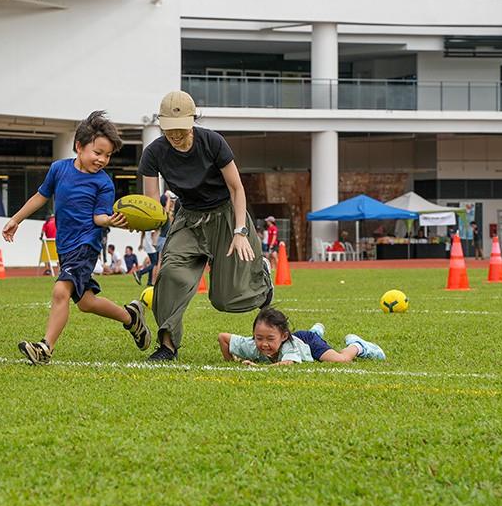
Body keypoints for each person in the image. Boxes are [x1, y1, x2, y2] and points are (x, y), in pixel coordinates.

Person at [2, 111, 151, 365]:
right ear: (79, 146)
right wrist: (16, 219)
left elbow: (99, 218)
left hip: (86, 245)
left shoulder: (104, 183)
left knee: (61, 291)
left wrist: (111, 221)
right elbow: (40, 196)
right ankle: (131, 317)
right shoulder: (58, 169)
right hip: (65, 247)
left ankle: (45, 348)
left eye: (108, 155)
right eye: (98, 152)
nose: (102, 159)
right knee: (86, 302)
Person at [139, 90, 273, 361]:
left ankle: (264, 283)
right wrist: (142, 220)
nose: (175, 135)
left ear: (192, 121)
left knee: (225, 300)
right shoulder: (154, 153)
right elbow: (152, 203)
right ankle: (167, 345)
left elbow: (236, 188)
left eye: (180, 128)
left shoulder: (212, 142)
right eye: (169, 129)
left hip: (225, 215)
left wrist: (240, 231)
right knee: (170, 273)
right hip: (189, 218)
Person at [218, 306, 385, 366]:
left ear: (283, 336)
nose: (264, 344)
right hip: (299, 340)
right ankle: (316, 330)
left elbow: (288, 363)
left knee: (340, 360)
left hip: (308, 343)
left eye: (270, 339)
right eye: (259, 338)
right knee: (308, 336)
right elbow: (223, 338)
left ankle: (357, 345)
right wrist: (231, 362)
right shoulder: (251, 345)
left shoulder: (288, 346)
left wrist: (259, 368)